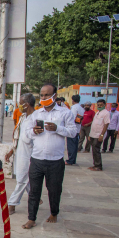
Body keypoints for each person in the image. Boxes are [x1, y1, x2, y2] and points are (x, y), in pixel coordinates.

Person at [24, 83, 77, 229]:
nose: (44, 97)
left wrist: (57, 128)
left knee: (54, 189)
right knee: (34, 191)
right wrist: (34, 131)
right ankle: (31, 218)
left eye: (47, 95)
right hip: (37, 159)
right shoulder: (36, 114)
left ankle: (54, 213)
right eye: (41, 95)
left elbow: (73, 132)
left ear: (54, 95)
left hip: (55, 161)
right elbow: (27, 133)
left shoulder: (65, 113)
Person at [5, 94, 41, 215]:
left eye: (21, 102)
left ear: (27, 104)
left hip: (30, 153)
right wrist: (11, 151)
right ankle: (35, 196)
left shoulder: (36, 118)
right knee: (24, 178)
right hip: (20, 151)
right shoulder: (23, 117)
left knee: (22, 179)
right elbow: (18, 136)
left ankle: (12, 204)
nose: (19, 105)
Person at [88, 99, 110, 171]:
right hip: (93, 134)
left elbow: (106, 124)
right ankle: (95, 164)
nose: (99, 106)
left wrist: (102, 135)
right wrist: (90, 135)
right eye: (98, 105)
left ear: (104, 105)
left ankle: (98, 166)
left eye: (101, 105)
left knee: (96, 149)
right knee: (94, 149)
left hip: (99, 135)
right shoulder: (97, 113)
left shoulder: (106, 113)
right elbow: (94, 124)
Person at [66, 94, 85, 165]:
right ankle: (73, 159)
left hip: (72, 129)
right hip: (78, 128)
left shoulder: (74, 107)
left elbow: (72, 118)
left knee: (71, 145)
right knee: (75, 145)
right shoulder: (81, 108)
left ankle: (70, 160)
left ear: (73, 100)